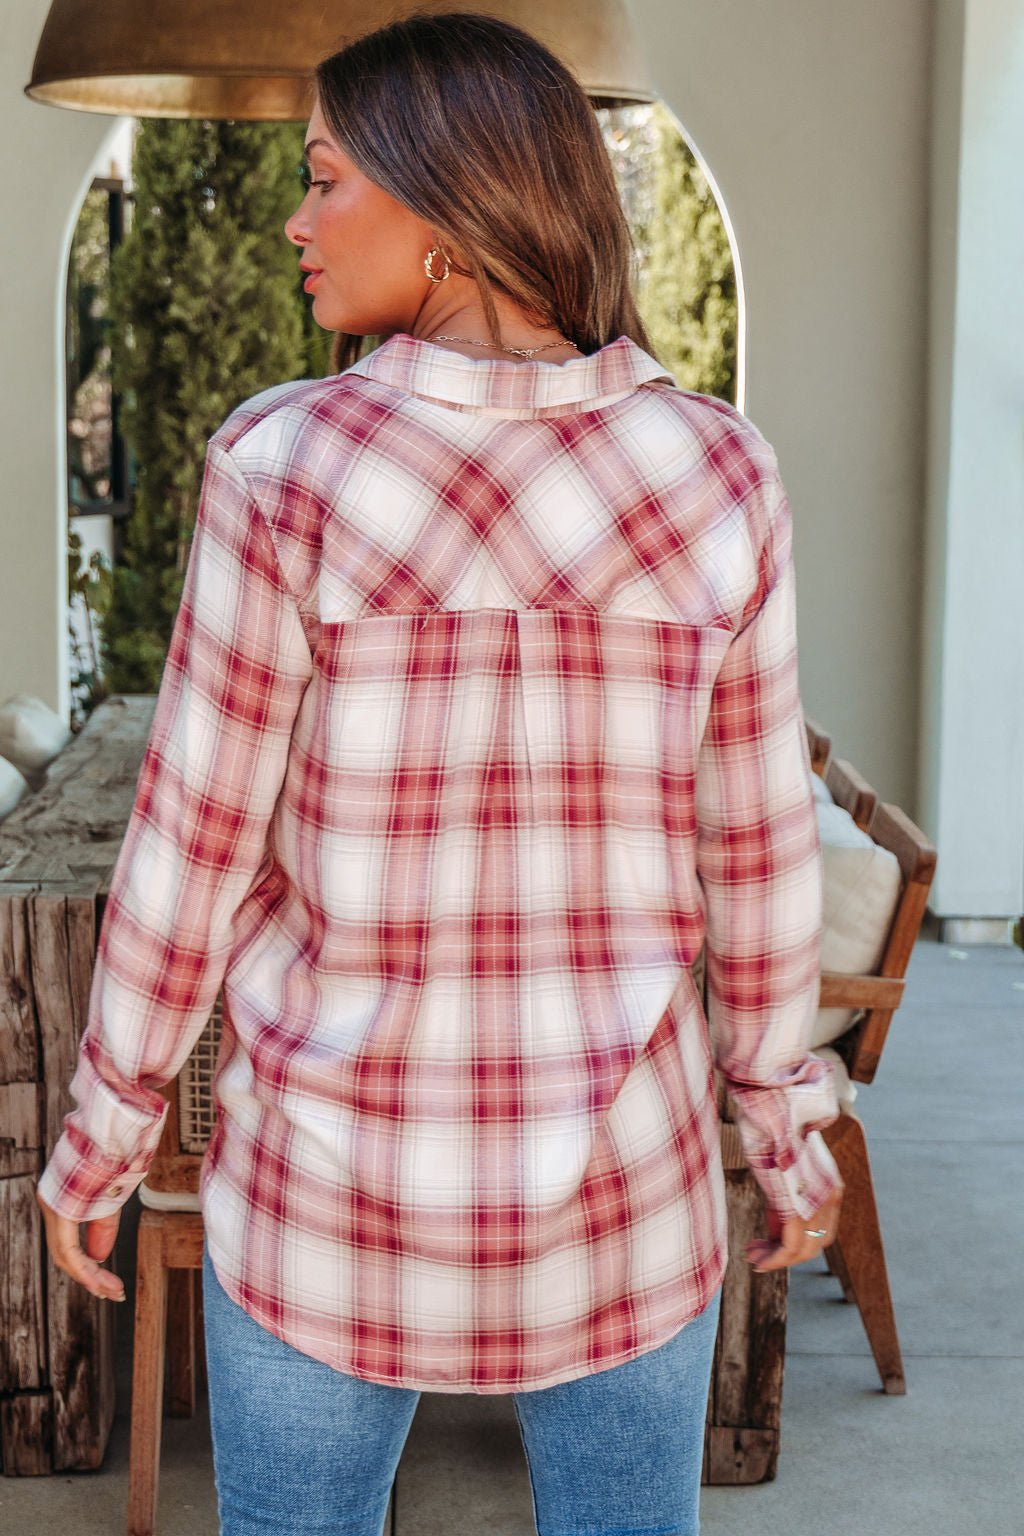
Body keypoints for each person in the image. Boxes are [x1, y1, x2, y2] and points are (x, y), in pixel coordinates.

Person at [36, 11, 842, 1535]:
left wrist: (107, 1128)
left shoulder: (284, 469)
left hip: (328, 1202)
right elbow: (758, 851)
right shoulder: (717, 471)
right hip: (626, 1193)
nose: (295, 220)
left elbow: (195, 853)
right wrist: (783, 1120)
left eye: (324, 177)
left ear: (448, 212)